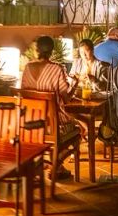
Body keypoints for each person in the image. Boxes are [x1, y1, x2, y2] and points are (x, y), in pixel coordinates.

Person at [22, 35, 81, 178]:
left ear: (36, 50)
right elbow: (66, 98)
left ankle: (50, 163)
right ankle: (57, 166)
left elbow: (23, 93)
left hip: (30, 123)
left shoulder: (27, 67)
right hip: (53, 125)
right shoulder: (56, 69)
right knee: (77, 129)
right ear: (52, 51)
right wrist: (75, 85)